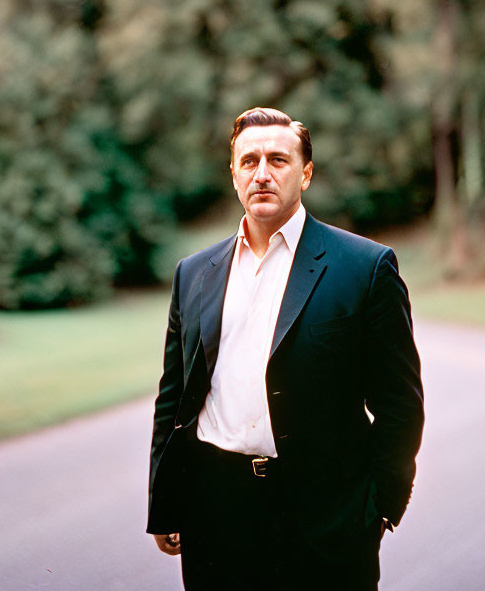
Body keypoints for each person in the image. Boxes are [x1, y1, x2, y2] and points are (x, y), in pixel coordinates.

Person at [147, 107, 424, 590]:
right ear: (233, 173)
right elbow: (173, 398)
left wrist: (378, 509)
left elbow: (400, 406)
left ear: (306, 173)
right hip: (215, 514)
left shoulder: (364, 267)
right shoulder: (193, 274)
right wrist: (165, 499)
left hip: (324, 519)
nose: (262, 173)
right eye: (248, 161)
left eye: (278, 159)